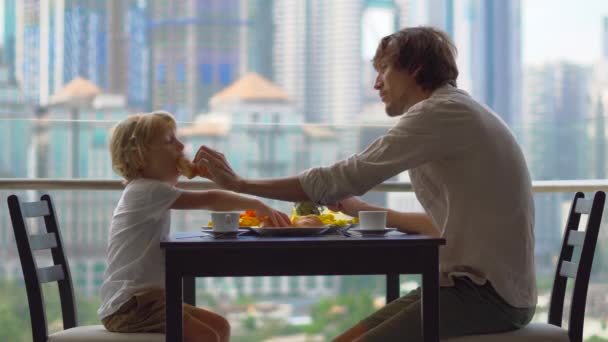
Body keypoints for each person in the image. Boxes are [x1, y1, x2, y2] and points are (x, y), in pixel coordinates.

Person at [194, 26, 536, 341]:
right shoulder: (454, 112)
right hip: (474, 287)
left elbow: (341, 179)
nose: (376, 84)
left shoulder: (438, 114)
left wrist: (241, 183)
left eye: (384, 69)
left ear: (415, 68)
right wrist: (363, 211)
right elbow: (440, 227)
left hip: (485, 296)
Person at [98, 111, 291, 342]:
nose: (181, 146)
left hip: (150, 299)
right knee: (206, 336)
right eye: (170, 141)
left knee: (220, 326)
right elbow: (210, 199)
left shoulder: (149, 191)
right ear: (139, 156)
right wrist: (256, 204)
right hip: (129, 307)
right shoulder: (146, 190)